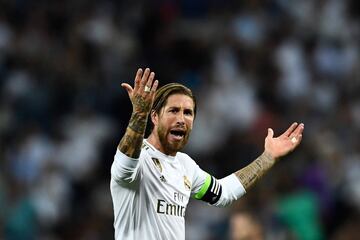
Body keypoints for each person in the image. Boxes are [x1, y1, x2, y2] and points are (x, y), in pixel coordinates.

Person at [110, 68, 304, 240]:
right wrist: (139, 115)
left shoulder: (185, 166)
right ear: (154, 116)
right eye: (173, 111)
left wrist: (268, 157)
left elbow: (223, 193)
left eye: (188, 112)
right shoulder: (138, 158)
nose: (181, 119)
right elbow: (125, 166)